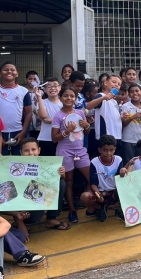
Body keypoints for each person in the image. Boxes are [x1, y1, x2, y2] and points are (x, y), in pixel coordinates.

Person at [51, 86, 91, 223]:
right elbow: (54, 138)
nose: (69, 98)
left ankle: (92, 205)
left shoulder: (80, 112)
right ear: (61, 98)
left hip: (80, 150)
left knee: (91, 177)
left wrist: (86, 126)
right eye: (66, 96)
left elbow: (86, 132)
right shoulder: (58, 116)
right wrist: (67, 131)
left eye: (72, 96)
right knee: (68, 182)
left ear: (75, 98)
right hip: (64, 151)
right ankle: (72, 211)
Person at [11, 138, 70, 230]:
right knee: (33, 218)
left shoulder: (48, 164)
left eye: (33, 149)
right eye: (26, 150)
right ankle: (19, 221)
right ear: (21, 152)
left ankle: (51, 218)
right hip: (25, 205)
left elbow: (59, 181)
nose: (30, 153)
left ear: (39, 150)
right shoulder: (15, 167)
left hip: (38, 198)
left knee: (61, 183)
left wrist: (62, 174)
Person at [0, 62, 32, 155]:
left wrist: (23, 132)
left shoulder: (23, 91)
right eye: (5, 70)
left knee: (19, 162)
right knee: (1, 162)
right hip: (0, 133)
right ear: (0, 73)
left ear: (17, 73)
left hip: (18, 131)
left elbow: (29, 113)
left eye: (12, 70)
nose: (9, 72)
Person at [81, 135, 128, 222]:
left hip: (115, 191)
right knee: (85, 196)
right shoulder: (94, 162)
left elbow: (120, 180)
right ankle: (100, 207)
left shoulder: (118, 160)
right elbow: (93, 183)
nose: (109, 153)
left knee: (129, 188)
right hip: (101, 193)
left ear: (115, 149)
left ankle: (118, 208)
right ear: (99, 150)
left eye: (111, 150)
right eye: (105, 150)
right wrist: (98, 194)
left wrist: (123, 172)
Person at [86, 74, 123, 154]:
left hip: (116, 136)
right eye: (114, 82)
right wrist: (103, 98)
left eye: (119, 84)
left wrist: (122, 117)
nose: (116, 85)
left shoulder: (114, 101)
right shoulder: (101, 95)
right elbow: (89, 106)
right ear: (106, 83)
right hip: (105, 136)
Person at [120, 83, 141, 162]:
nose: (135, 93)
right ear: (129, 95)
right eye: (132, 92)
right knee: (129, 162)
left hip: (140, 140)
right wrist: (132, 117)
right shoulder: (125, 106)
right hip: (128, 140)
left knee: (139, 162)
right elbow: (123, 124)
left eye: (137, 91)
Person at [34, 77, 63, 157]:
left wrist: (49, 121)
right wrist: (39, 97)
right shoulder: (42, 102)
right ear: (45, 89)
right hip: (45, 138)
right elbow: (43, 116)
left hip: (61, 138)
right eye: (49, 86)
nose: (52, 88)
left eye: (55, 86)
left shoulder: (64, 103)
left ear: (60, 87)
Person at [25, 70, 42, 138]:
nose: (32, 81)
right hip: (26, 121)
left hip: (38, 121)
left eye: (35, 79)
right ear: (26, 80)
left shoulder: (42, 92)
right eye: (30, 79)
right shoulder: (23, 92)